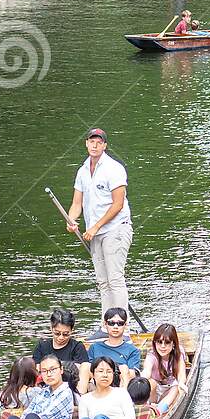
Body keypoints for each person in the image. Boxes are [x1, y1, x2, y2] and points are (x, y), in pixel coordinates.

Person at [67, 128, 132, 324]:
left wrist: (95, 226)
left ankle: (122, 327)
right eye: (91, 141)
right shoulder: (82, 171)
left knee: (115, 279)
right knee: (103, 282)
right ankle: (106, 326)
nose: (95, 145)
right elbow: (77, 203)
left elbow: (118, 204)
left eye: (99, 142)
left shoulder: (114, 168)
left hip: (116, 230)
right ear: (86, 143)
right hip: (94, 234)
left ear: (104, 145)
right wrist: (71, 220)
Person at [0, 353, 75, 419]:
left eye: (53, 370)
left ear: (61, 370)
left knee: (32, 418)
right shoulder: (42, 393)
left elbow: (47, 416)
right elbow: (27, 413)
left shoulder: (66, 392)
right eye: (44, 371)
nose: (49, 374)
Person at [73, 357, 137, 419]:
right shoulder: (85, 399)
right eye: (101, 371)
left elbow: (131, 418)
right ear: (93, 374)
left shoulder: (121, 393)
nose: (105, 375)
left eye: (109, 371)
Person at [32, 307, 90, 391]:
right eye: (57, 333)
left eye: (66, 334)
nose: (61, 337)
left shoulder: (77, 347)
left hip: (71, 388)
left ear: (72, 331)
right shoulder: (42, 346)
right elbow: (36, 370)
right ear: (51, 328)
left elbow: (82, 372)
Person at [86, 308, 142, 385]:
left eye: (120, 323)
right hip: (97, 383)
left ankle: (124, 396)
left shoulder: (133, 350)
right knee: (85, 366)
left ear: (125, 325)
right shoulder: (94, 347)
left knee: (124, 369)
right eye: (111, 323)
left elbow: (132, 373)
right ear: (105, 324)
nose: (115, 326)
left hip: (120, 383)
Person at [144, 322, 187, 405]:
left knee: (176, 386)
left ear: (173, 344)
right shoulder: (151, 356)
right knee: (151, 382)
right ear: (155, 343)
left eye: (167, 342)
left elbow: (181, 373)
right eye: (159, 342)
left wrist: (181, 383)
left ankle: (159, 410)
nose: (163, 346)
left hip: (171, 389)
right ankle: (151, 407)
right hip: (155, 391)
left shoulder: (179, 353)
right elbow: (146, 371)